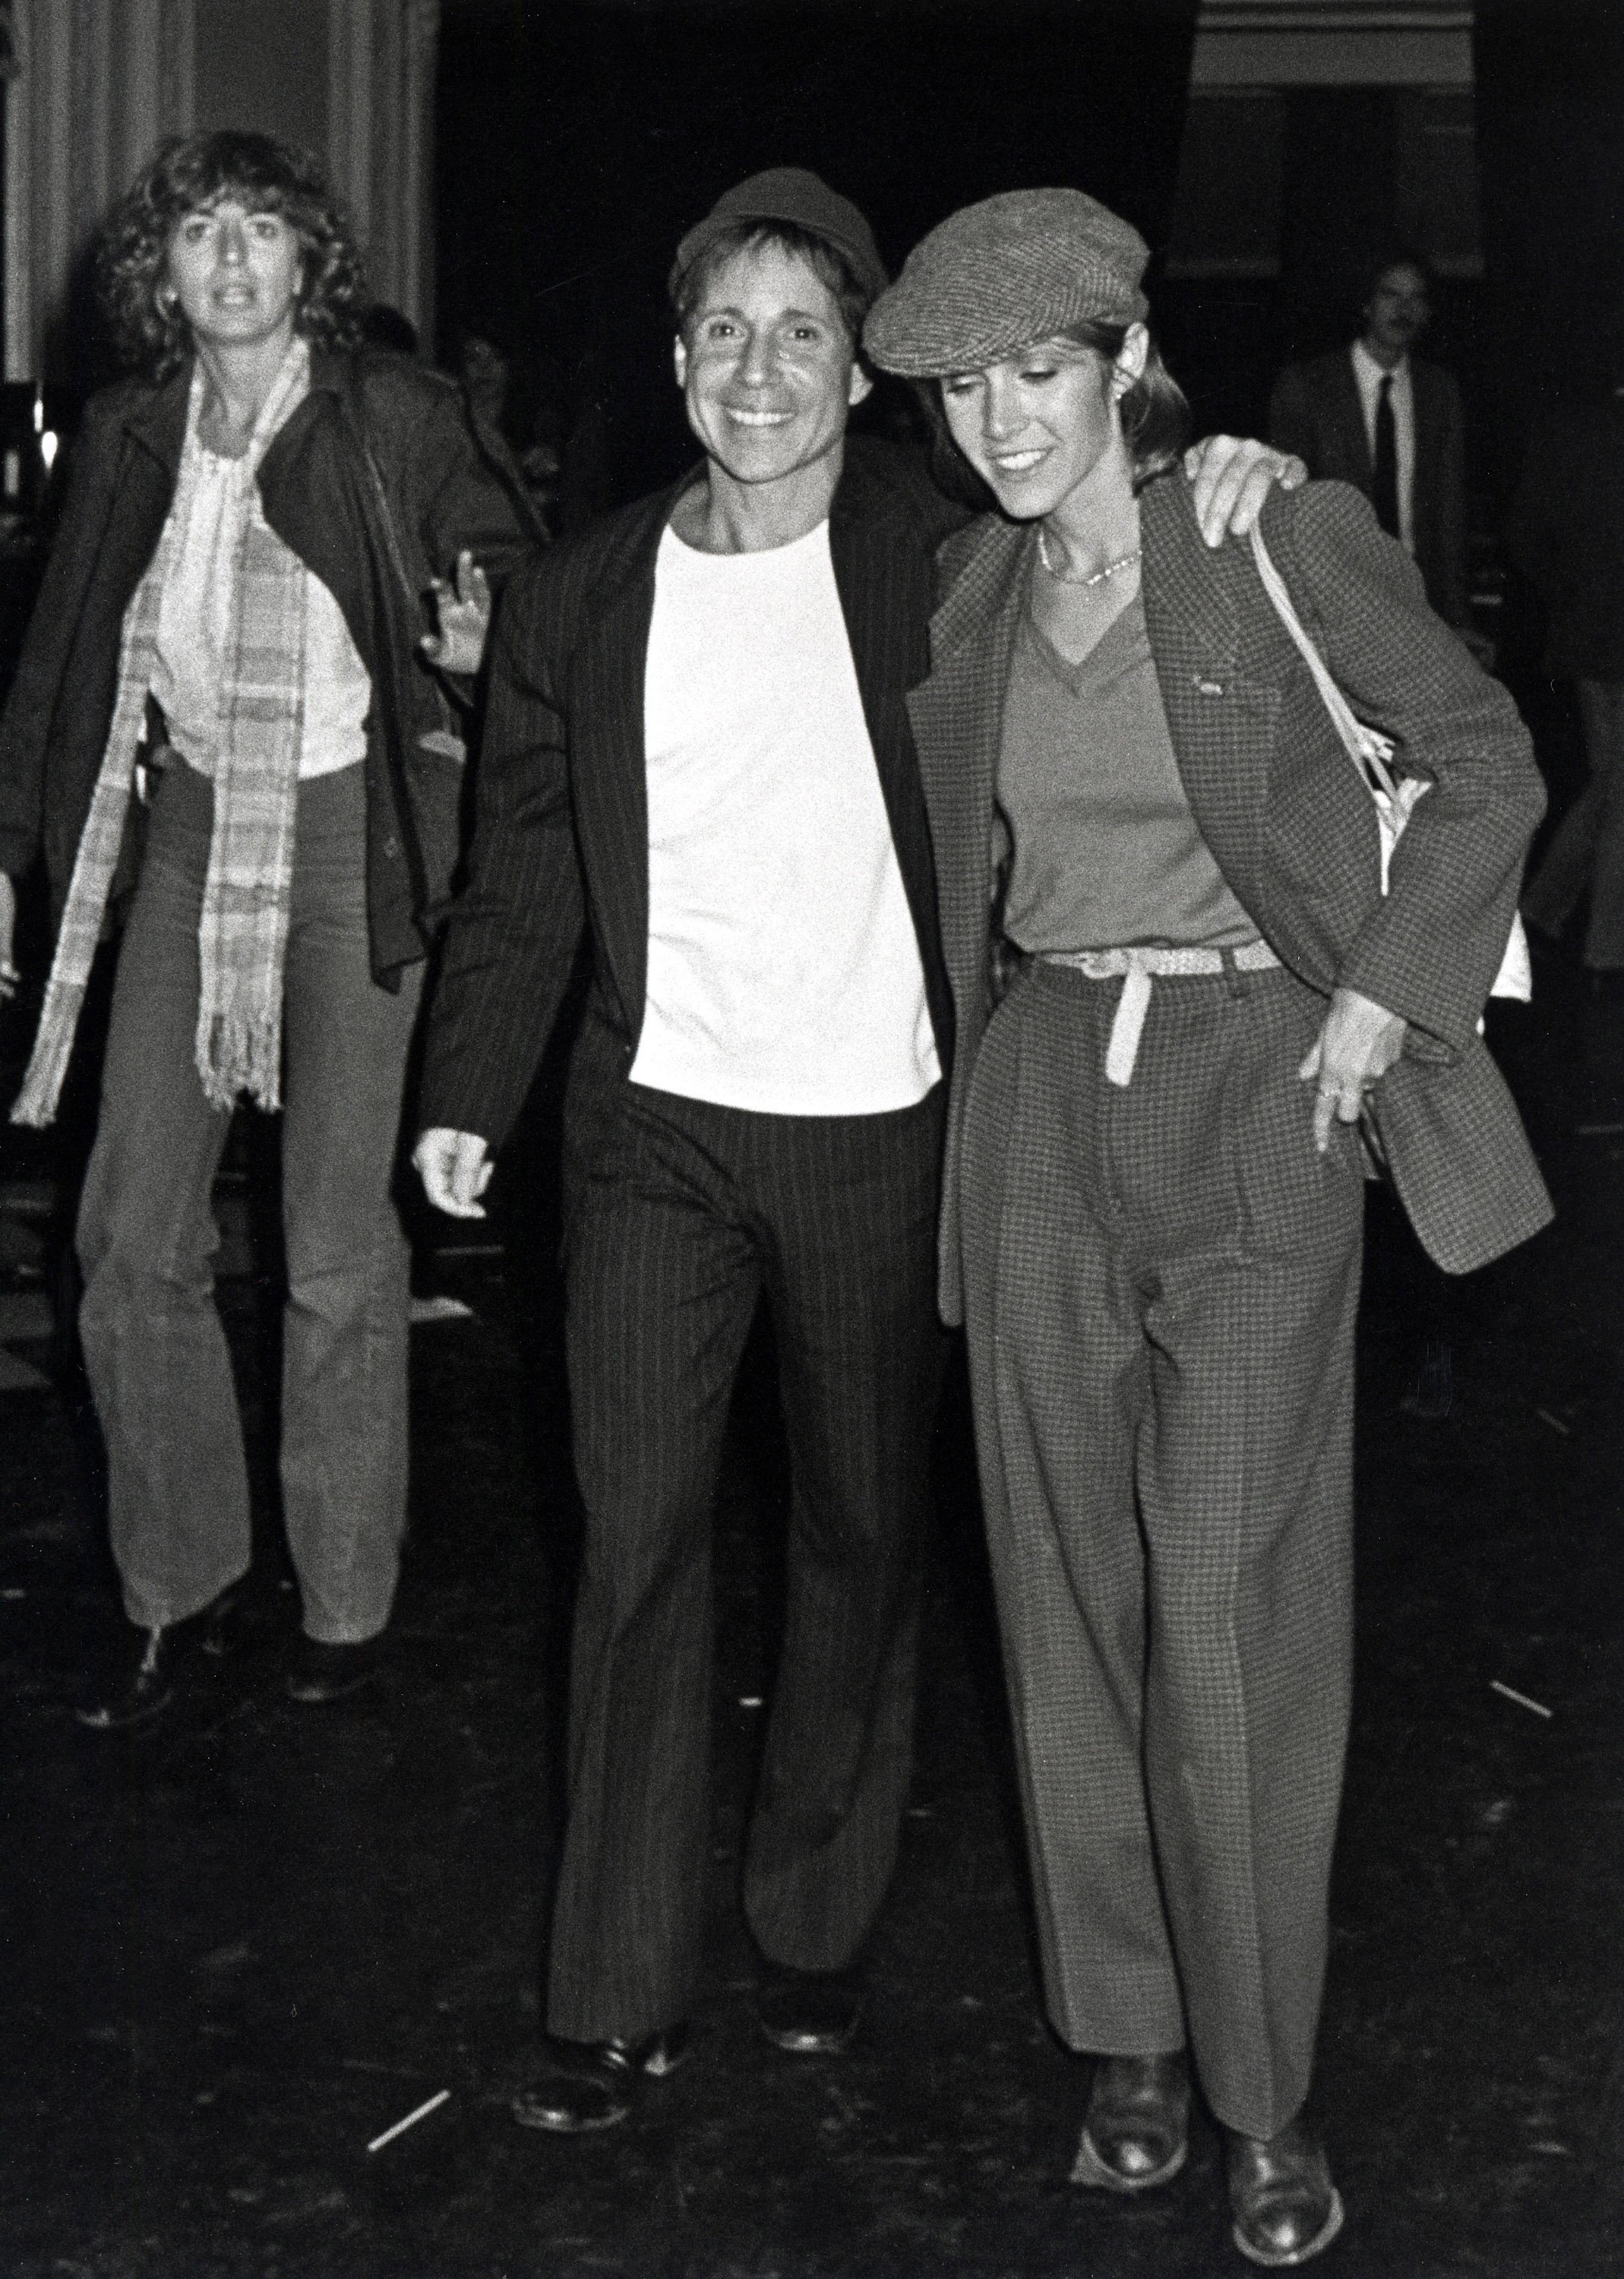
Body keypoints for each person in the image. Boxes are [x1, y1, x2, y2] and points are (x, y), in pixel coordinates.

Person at [411, 168, 1298, 2135]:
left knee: (855, 1540)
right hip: (653, 1132)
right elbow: (528, 870)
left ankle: (813, 1924)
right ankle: (613, 1982)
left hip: (889, 1134)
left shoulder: (938, 557)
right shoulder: (585, 593)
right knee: (630, 1548)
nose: (757, 369)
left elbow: (1107, 512)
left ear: (861, 368)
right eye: (721, 331)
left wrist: (1224, 457)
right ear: (673, 361)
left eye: (800, 332)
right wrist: (468, 1093)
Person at [864, 189, 1550, 2266]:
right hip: (1038, 1104)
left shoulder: (1262, 533)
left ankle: (1262, 2089)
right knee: (1062, 1595)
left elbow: (1486, 764)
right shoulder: (967, 590)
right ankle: (1129, 2044)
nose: (997, 419)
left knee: (1232, 1616)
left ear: (1121, 353)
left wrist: (1378, 988)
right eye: (963, 385)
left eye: (1037, 373)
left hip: (1261, 1084)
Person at [0, 131, 538, 1727]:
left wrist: (479, 628)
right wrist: (8, 846)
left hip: (352, 831)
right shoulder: (127, 432)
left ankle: (349, 1605)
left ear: (311, 262)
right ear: (158, 276)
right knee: (128, 1234)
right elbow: (66, 658)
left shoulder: (393, 413)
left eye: (260, 231)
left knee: (334, 1249)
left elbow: (522, 580)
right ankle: (183, 1580)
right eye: (198, 235)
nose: (229, 258)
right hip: (180, 832)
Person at [1270, 251, 1471, 634]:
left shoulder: (1439, 391)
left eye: (1416, 299)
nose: (1404, 310)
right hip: (1332, 596)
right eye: (1391, 295)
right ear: (1365, 304)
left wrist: (1459, 617)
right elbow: (1285, 502)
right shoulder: (1308, 385)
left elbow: (1449, 509)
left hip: (1417, 597)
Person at [1506, 330, 1624, 978]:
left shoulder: (1570, 426)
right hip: (1602, 634)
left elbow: (1526, 534)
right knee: (1620, 787)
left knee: (1612, 781)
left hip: (1586, 634)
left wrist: (1572, 596)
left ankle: (1545, 905)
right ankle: (1607, 948)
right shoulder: (1583, 429)